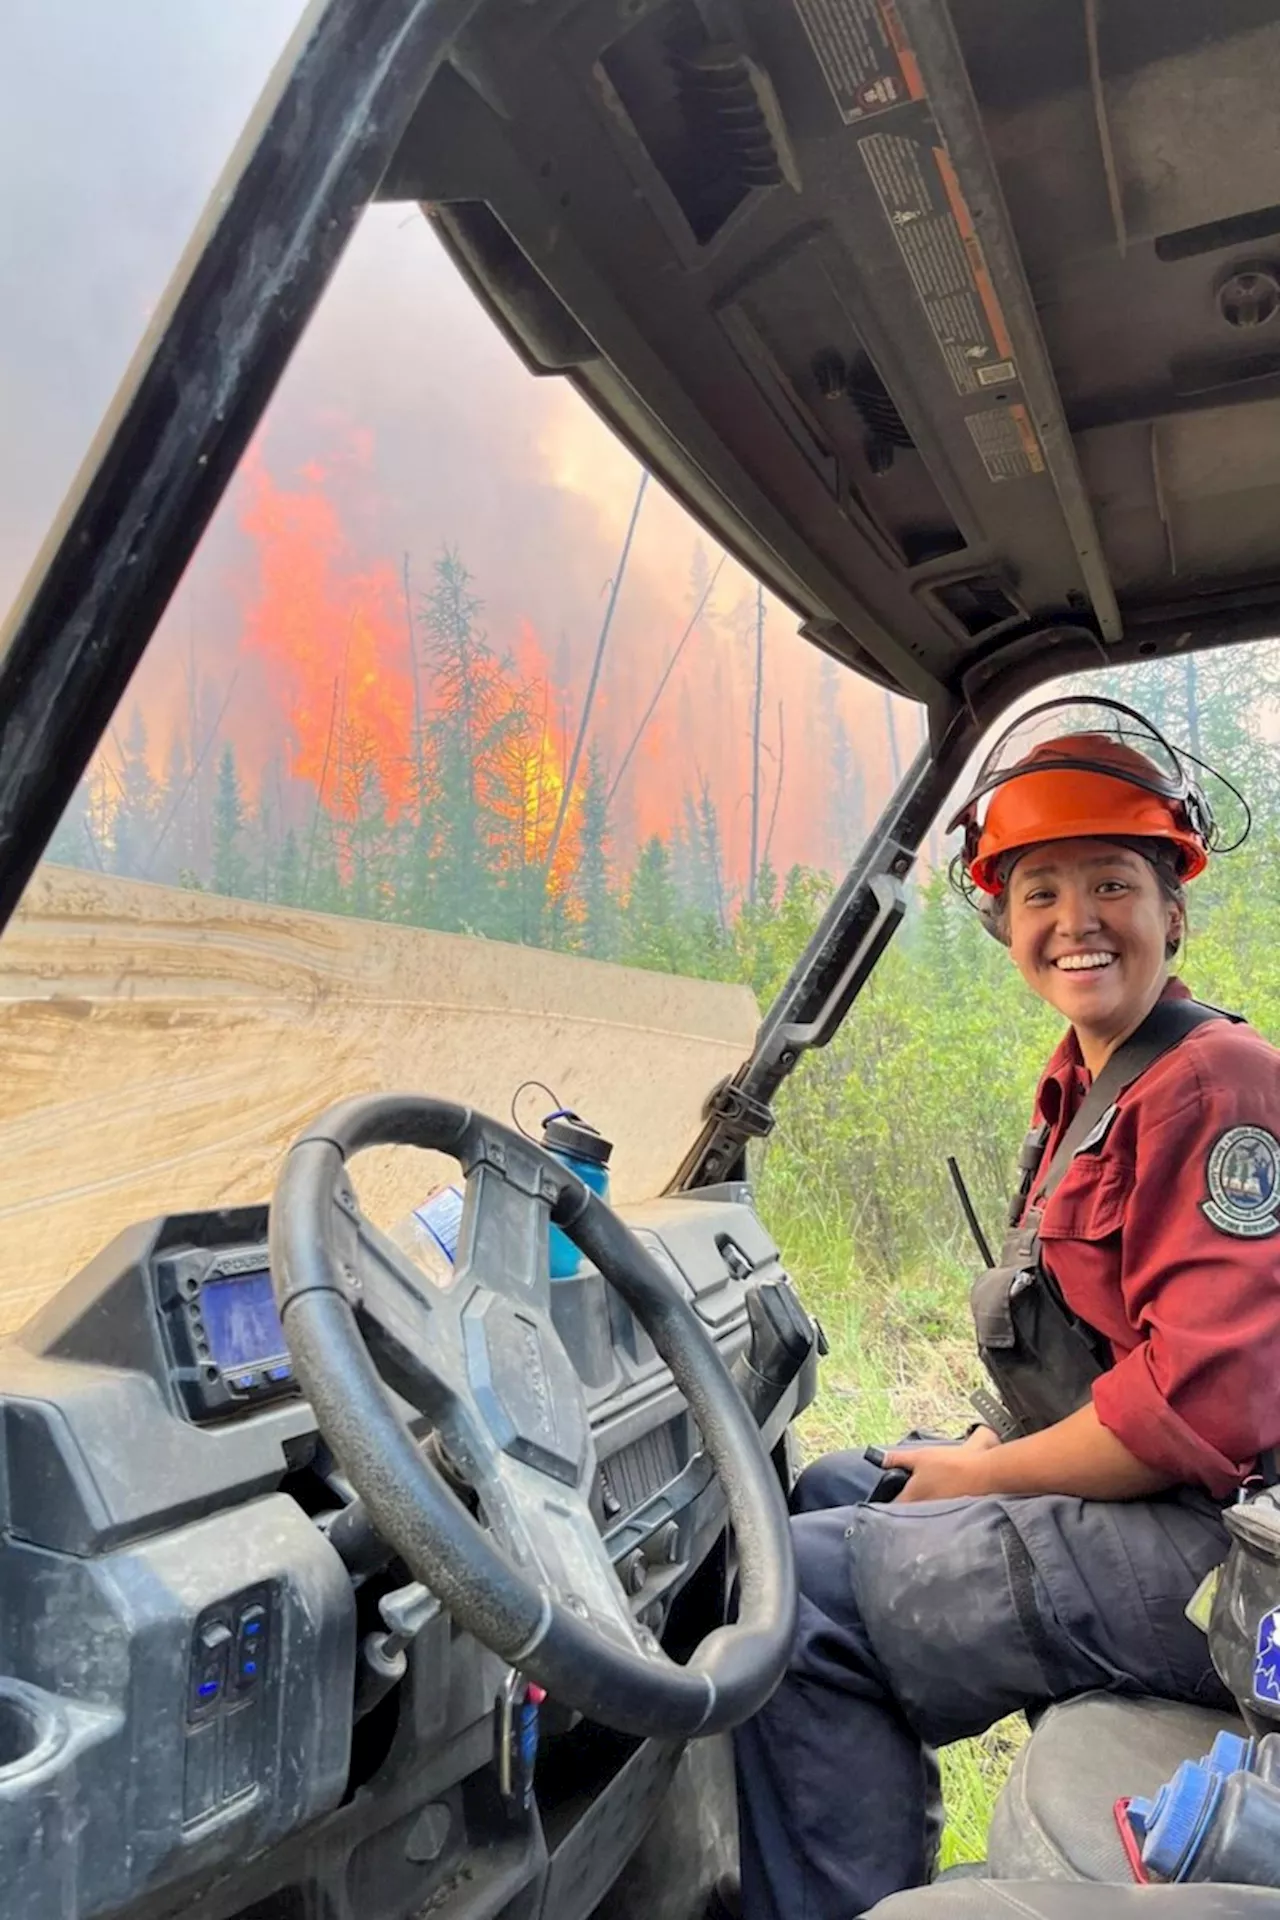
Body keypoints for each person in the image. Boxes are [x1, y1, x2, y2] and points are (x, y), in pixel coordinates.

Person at [725, 699, 1280, 1920]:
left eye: (1109, 884)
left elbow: (1197, 1413)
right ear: (1002, 923)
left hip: (1231, 1564)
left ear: (1170, 910)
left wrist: (978, 1484)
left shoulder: (1214, 1084)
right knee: (826, 1491)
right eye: (1037, 892)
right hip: (1161, 1515)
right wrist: (981, 1454)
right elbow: (1097, 1355)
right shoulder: (1082, 1086)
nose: (1073, 922)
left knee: (800, 1595)